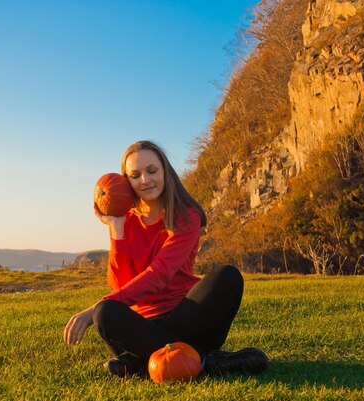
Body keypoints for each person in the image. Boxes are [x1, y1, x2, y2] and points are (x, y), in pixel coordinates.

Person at [63, 140, 268, 377]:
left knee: (227, 276)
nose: (145, 180)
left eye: (152, 171)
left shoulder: (185, 216)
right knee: (106, 313)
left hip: (186, 318)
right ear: (126, 181)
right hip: (141, 326)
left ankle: (140, 362)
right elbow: (120, 288)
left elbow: (158, 275)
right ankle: (203, 362)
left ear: (165, 171)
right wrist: (116, 229)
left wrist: (93, 307)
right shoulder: (125, 219)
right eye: (135, 175)